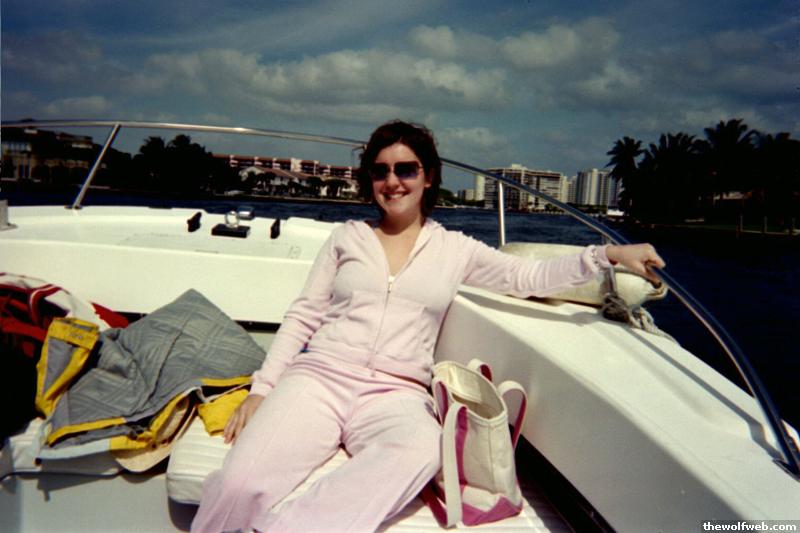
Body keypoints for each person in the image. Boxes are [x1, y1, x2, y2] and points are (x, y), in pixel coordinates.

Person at [191, 120, 665, 533]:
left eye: (406, 169)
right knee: (238, 483)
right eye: (380, 171)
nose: (392, 181)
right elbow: (303, 315)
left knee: (422, 448)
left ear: (429, 176)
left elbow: (527, 277)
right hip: (320, 378)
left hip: (395, 392)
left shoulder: (455, 249)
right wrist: (263, 389)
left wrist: (607, 255)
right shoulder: (346, 238)